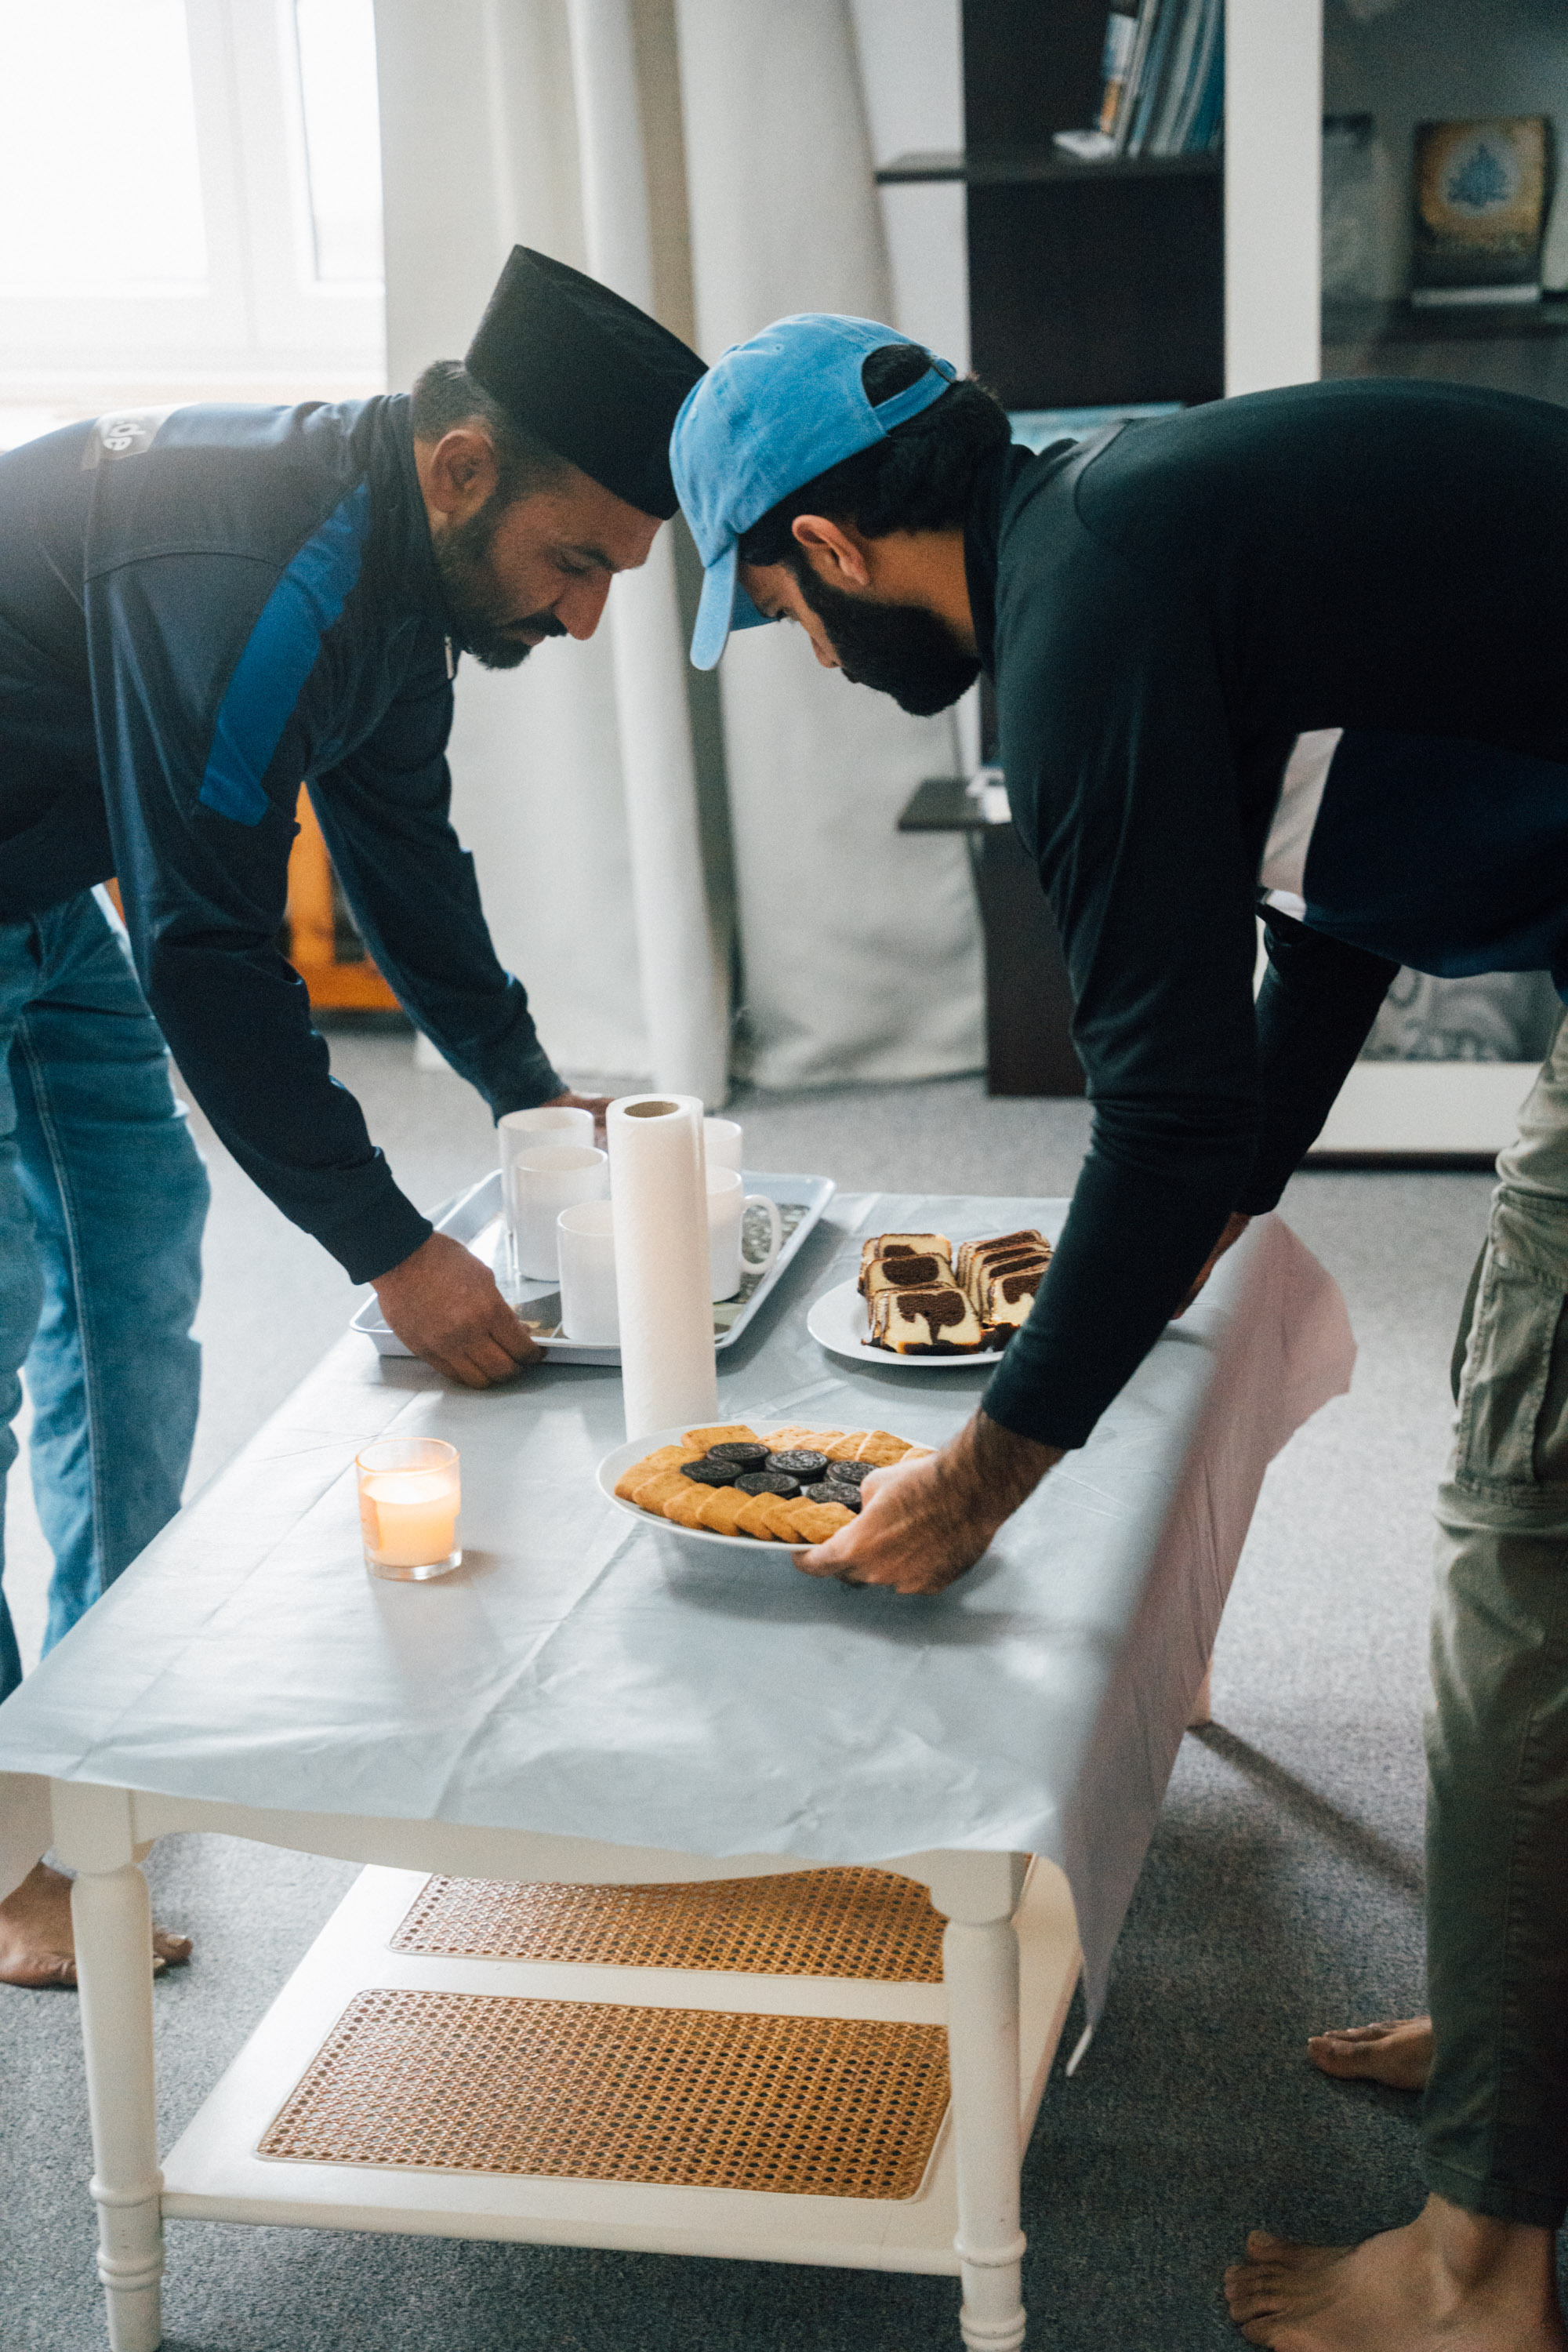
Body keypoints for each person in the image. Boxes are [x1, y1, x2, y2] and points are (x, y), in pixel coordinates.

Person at [670, 317, 1568, 2350]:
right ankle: (1540, 2040)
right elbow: (1344, 886)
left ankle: (1484, 2268)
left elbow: (1151, 1104)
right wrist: (1235, 1200)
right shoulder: (1131, 507)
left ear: (831, 540)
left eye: (792, 613)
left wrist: (992, 1467)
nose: (821, 661)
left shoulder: (1084, 631)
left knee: (1528, 1558)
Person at [0, 248, 704, 1989]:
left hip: (29, 886)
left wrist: (530, 1097)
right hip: (79, 891)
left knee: (126, 1276)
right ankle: (4, 1844)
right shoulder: (254, 569)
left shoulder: (407, 580)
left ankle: (89, 1752)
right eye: (577, 563)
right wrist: (389, 1247)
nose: (586, 614)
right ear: (463, 468)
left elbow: (400, 854)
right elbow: (209, 942)